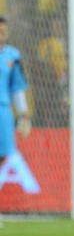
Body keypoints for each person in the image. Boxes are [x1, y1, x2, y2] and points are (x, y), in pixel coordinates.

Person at [0, 17, 31, 163]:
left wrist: (24, 115)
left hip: (3, 110)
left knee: (2, 156)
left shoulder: (13, 55)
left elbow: (17, 87)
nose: (2, 34)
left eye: (4, 31)